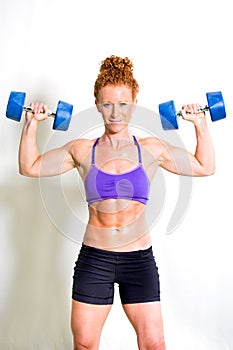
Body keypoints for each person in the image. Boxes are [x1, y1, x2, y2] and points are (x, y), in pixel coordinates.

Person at [18, 55, 215, 350]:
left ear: (134, 102)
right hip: (95, 260)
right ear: (97, 103)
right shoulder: (82, 150)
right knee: (85, 345)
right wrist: (32, 123)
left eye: (123, 104)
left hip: (139, 261)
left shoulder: (151, 150)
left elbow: (204, 166)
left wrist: (200, 123)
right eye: (108, 104)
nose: (115, 112)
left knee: (154, 344)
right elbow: (30, 166)